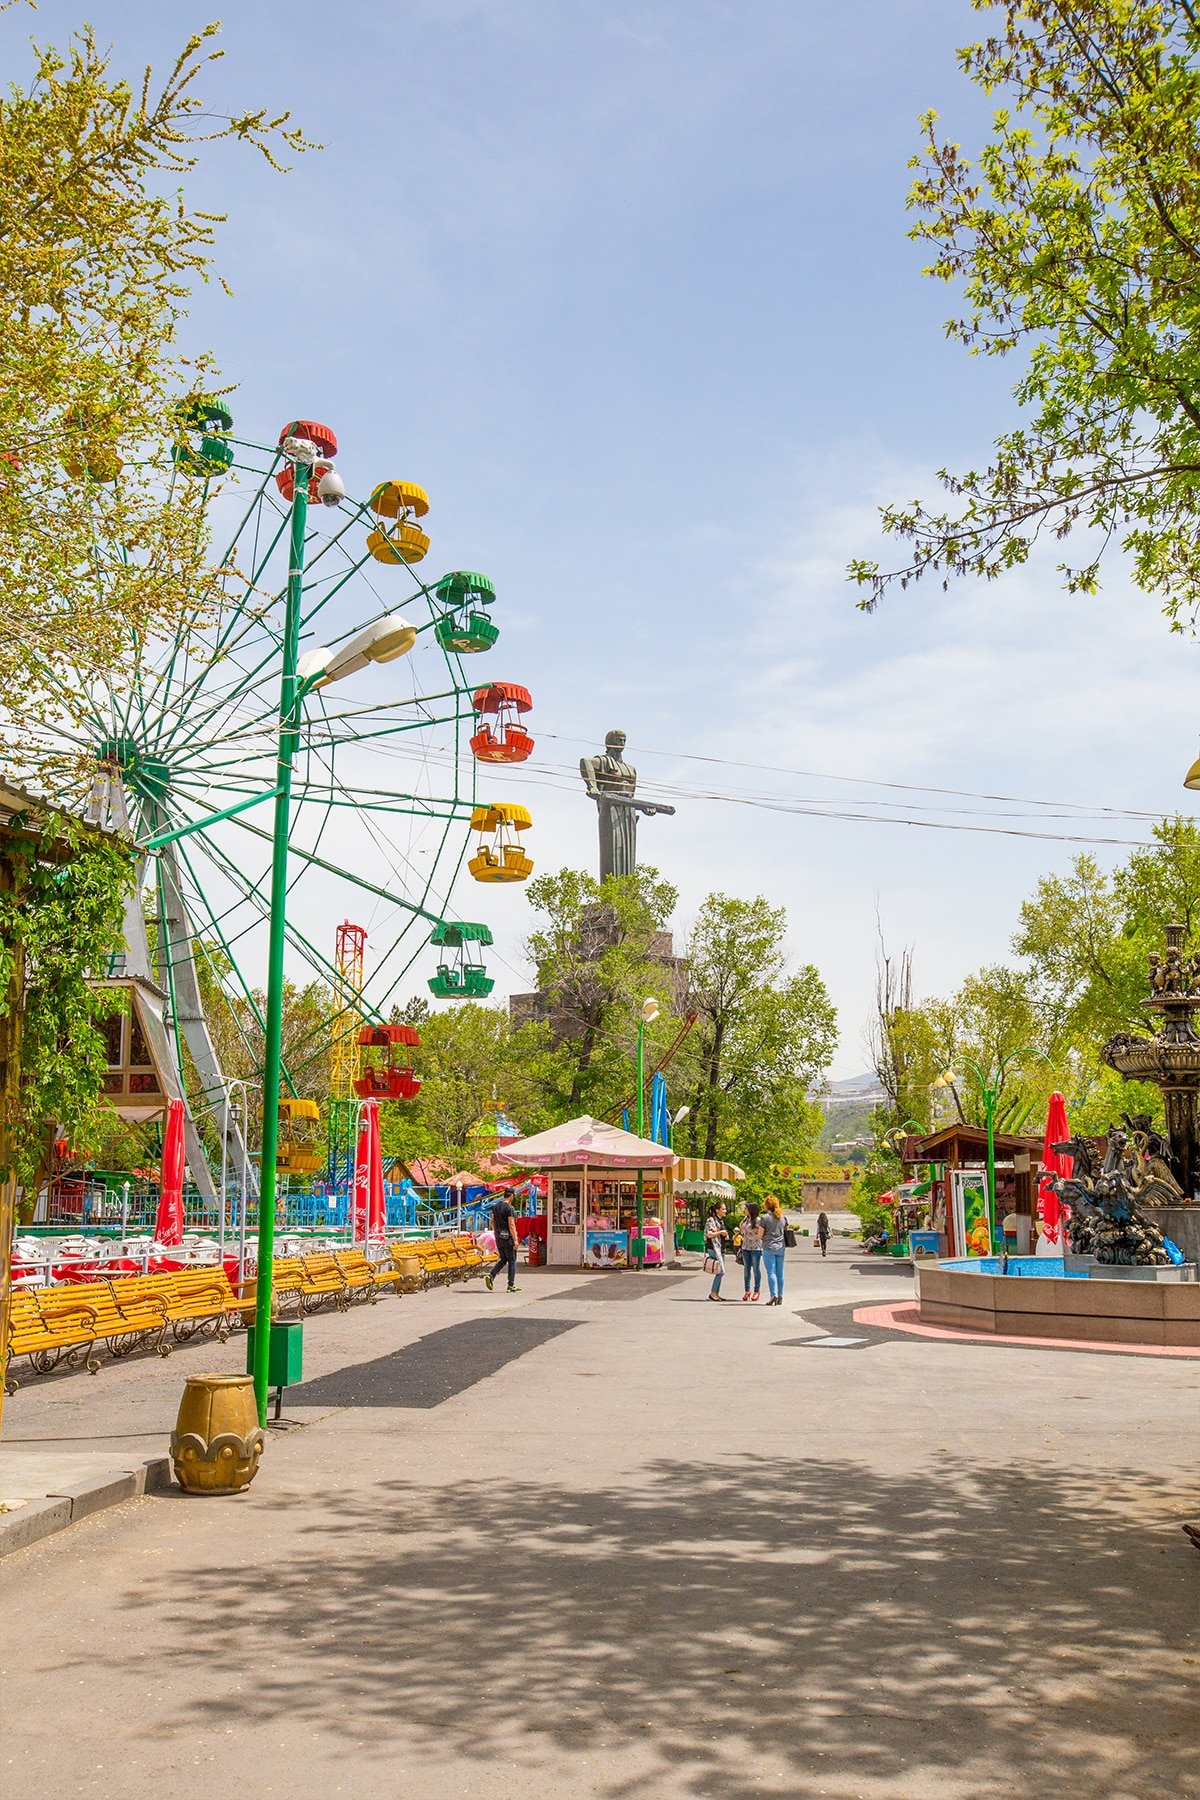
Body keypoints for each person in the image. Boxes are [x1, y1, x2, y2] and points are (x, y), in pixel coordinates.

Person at [485, 1192, 521, 1293]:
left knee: (503, 1259)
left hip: (498, 1237)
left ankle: (491, 1275)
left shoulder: (496, 1207)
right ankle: (511, 1285)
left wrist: (496, 1233)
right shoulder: (510, 1208)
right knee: (512, 1260)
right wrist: (515, 1239)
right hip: (508, 1238)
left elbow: (492, 1222)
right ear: (511, 1196)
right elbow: (511, 1224)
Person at [760, 1193, 787, 1305]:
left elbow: (760, 1234)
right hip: (781, 1247)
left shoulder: (765, 1218)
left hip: (768, 1247)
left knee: (771, 1272)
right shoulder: (782, 1218)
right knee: (780, 1272)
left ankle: (773, 1296)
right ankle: (780, 1295)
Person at [704, 1201, 728, 1301]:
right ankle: (713, 1293)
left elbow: (724, 1233)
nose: (725, 1211)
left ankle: (716, 1293)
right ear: (717, 1210)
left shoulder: (721, 1221)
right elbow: (709, 1234)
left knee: (719, 1271)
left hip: (721, 1248)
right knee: (721, 1271)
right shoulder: (711, 1220)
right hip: (714, 1248)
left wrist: (726, 1235)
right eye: (723, 1209)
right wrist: (720, 1232)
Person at [739, 1201, 763, 1301]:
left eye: (746, 1208)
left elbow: (761, 1232)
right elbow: (742, 1231)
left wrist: (754, 1237)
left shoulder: (758, 1220)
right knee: (746, 1270)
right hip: (745, 1247)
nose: (745, 1210)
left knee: (756, 1269)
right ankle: (747, 1290)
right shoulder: (745, 1220)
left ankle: (756, 1290)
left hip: (755, 1247)